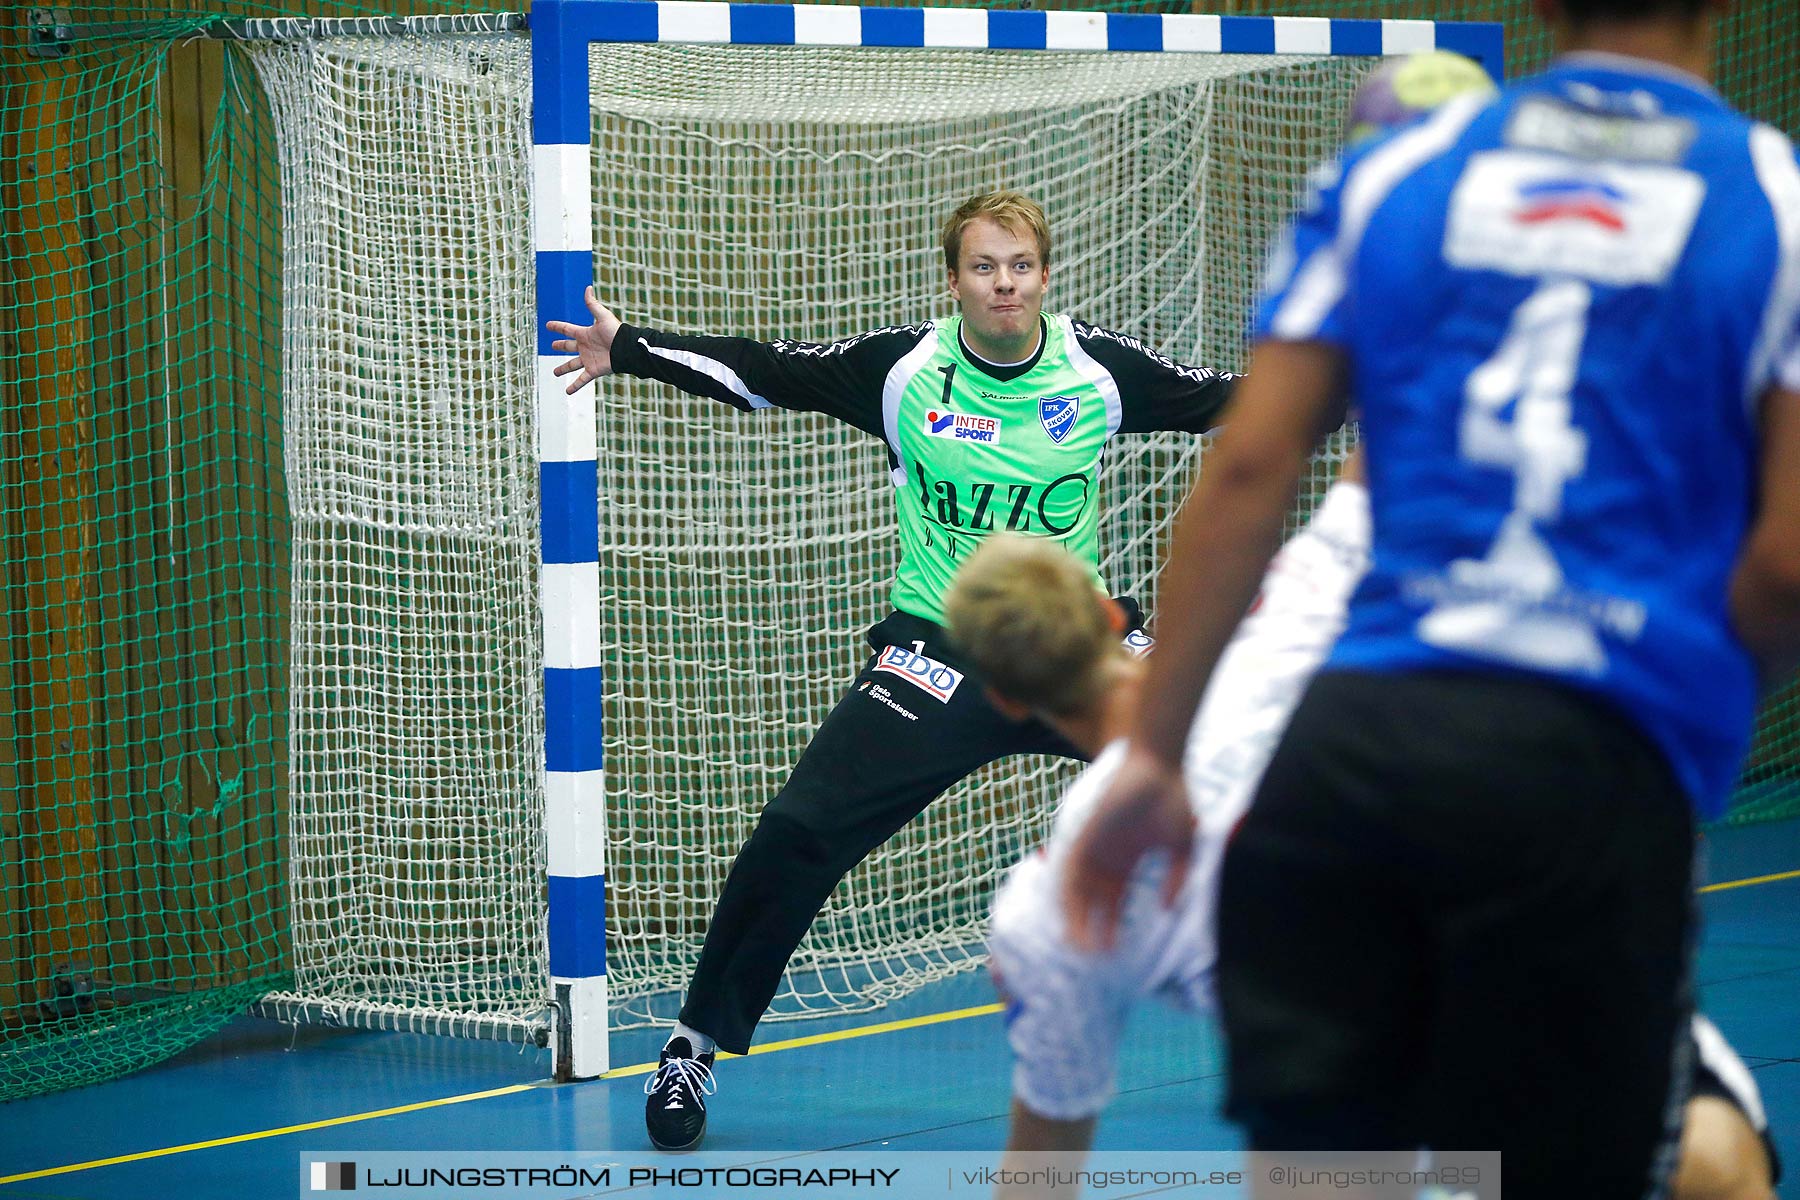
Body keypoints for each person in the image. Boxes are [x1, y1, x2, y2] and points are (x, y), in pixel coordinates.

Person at [1063, 0, 1800, 1193]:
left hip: (1348, 765)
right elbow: (1786, 565)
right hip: (1583, 771)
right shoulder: (1775, 198)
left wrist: (1154, 755)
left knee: (1327, 1182)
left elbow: (1250, 468)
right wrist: (1685, 705)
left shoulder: (1392, 172)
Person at [546, 189, 1240, 1150]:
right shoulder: (907, 372)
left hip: (1078, 646)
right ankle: (692, 1046)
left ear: (1046, 275)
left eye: (1021, 266)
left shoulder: (1099, 372)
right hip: (941, 648)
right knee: (799, 829)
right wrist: (630, 348)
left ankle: (1342, 1021)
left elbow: (1240, 405)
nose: (1005, 283)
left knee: (1252, 783)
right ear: (953, 280)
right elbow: (766, 371)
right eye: (985, 267)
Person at [945, 518, 1779, 1200]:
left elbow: (1043, 1168)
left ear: (1005, 698)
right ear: (1106, 611)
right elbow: (1370, 469)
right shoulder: (1280, 611)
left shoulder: (1056, 900)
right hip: (1521, 953)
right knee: (1712, 1165)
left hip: (1341, 1103)